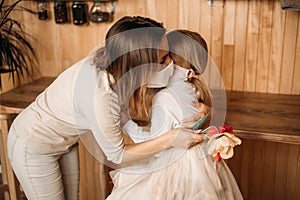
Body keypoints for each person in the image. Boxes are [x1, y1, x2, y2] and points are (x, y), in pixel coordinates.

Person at [7, 17, 206, 200]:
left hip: (65, 143)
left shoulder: (116, 61)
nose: (170, 64)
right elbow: (118, 155)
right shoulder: (100, 95)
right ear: (139, 64)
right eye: (163, 59)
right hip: (33, 145)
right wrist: (170, 138)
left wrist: (197, 105)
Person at [106, 30, 243, 200]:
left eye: (165, 59)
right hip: (201, 165)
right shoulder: (191, 88)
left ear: (188, 71)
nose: (158, 65)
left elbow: (152, 146)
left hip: (175, 171)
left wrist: (127, 123)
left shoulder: (165, 98)